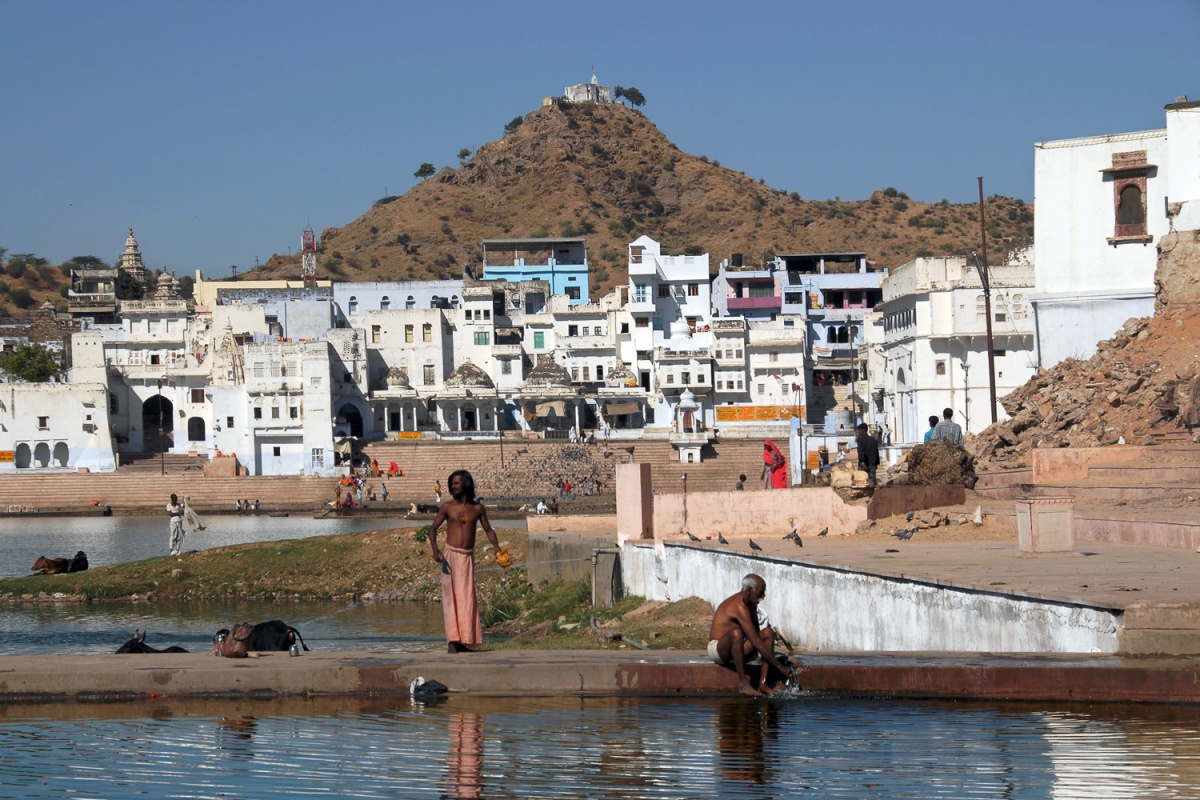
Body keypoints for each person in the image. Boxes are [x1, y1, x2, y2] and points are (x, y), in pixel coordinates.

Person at [429, 470, 502, 654]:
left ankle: (464, 640)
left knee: (467, 598)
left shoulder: (477, 509)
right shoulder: (447, 507)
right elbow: (433, 529)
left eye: (457, 483)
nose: (454, 486)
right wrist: (435, 550)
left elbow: (488, 530)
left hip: (467, 557)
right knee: (450, 600)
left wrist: (497, 548)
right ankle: (452, 642)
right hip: (449, 557)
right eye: (452, 483)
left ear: (466, 485)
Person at [708, 574, 794, 696]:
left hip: (737, 647)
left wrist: (764, 651)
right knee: (736, 633)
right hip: (718, 650)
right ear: (749, 589)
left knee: (768, 632)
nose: (762, 596)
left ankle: (763, 683)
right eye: (760, 592)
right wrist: (780, 666)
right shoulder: (738, 606)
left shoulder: (752, 604)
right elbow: (756, 642)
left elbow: (757, 635)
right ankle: (743, 684)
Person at [856, 423, 881, 488]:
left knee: (862, 482)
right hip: (872, 464)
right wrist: (876, 463)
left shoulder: (860, 440)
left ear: (863, 430)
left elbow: (861, 451)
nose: (858, 432)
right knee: (872, 482)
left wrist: (862, 461)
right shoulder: (873, 440)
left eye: (859, 430)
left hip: (864, 464)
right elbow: (876, 452)